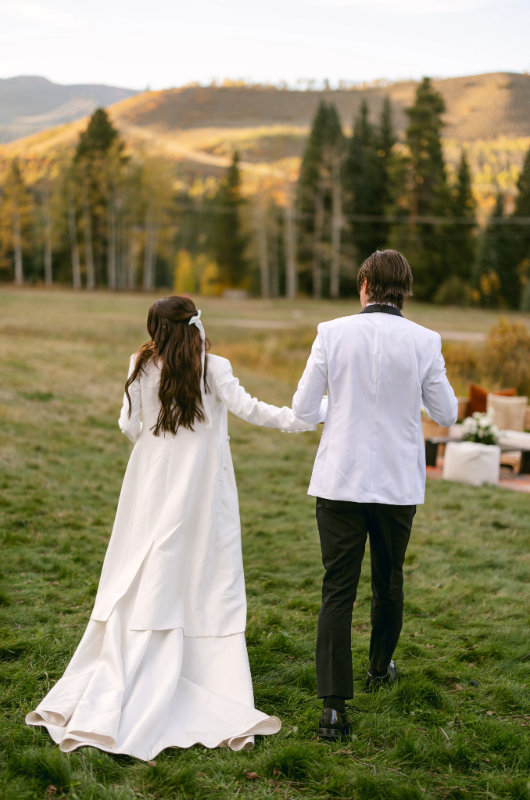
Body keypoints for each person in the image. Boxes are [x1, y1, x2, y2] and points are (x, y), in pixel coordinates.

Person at [27, 295, 319, 760]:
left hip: (152, 480)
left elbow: (130, 426)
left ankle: (141, 643)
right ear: (196, 326)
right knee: (205, 566)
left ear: (157, 329)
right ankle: (198, 662)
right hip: (202, 485)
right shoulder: (215, 367)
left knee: (148, 562)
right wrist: (309, 416)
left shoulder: (141, 365)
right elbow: (254, 410)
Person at [292, 250, 458, 740]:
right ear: (403, 290)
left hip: (339, 480)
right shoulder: (426, 342)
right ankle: (379, 668)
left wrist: (341, 402)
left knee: (336, 590)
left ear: (365, 284)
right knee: (388, 580)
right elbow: (446, 413)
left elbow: (303, 409)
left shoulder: (331, 332)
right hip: (396, 483)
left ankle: (333, 710)